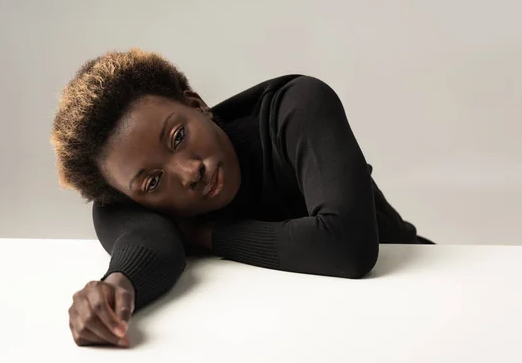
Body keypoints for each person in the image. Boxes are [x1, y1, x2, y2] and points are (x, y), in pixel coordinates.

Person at [51, 48, 433, 348]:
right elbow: (150, 247)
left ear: (197, 104)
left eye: (178, 137)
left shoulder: (296, 108)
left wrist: (207, 236)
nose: (189, 173)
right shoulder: (126, 203)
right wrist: (116, 288)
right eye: (152, 182)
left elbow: (347, 245)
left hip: (423, 294)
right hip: (314, 339)